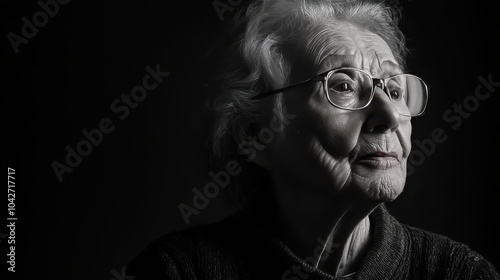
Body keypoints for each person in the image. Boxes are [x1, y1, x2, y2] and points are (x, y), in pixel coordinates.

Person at [128, 0, 500, 279]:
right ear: (256, 136)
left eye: (395, 89)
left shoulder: (457, 273)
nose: (389, 116)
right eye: (342, 86)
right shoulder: (180, 271)